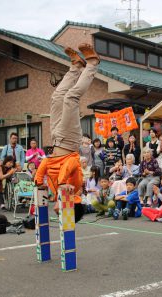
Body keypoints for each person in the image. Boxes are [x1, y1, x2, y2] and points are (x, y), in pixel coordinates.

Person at [35, 43, 99, 215]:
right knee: (71, 98)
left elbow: (47, 163)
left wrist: (38, 179)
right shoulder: (75, 186)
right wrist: (63, 182)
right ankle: (92, 64)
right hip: (69, 142)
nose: (56, 209)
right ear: (72, 204)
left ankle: (76, 66)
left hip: (56, 138)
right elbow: (70, 163)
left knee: (56, 98)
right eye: (59, 210)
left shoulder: (57, 193)